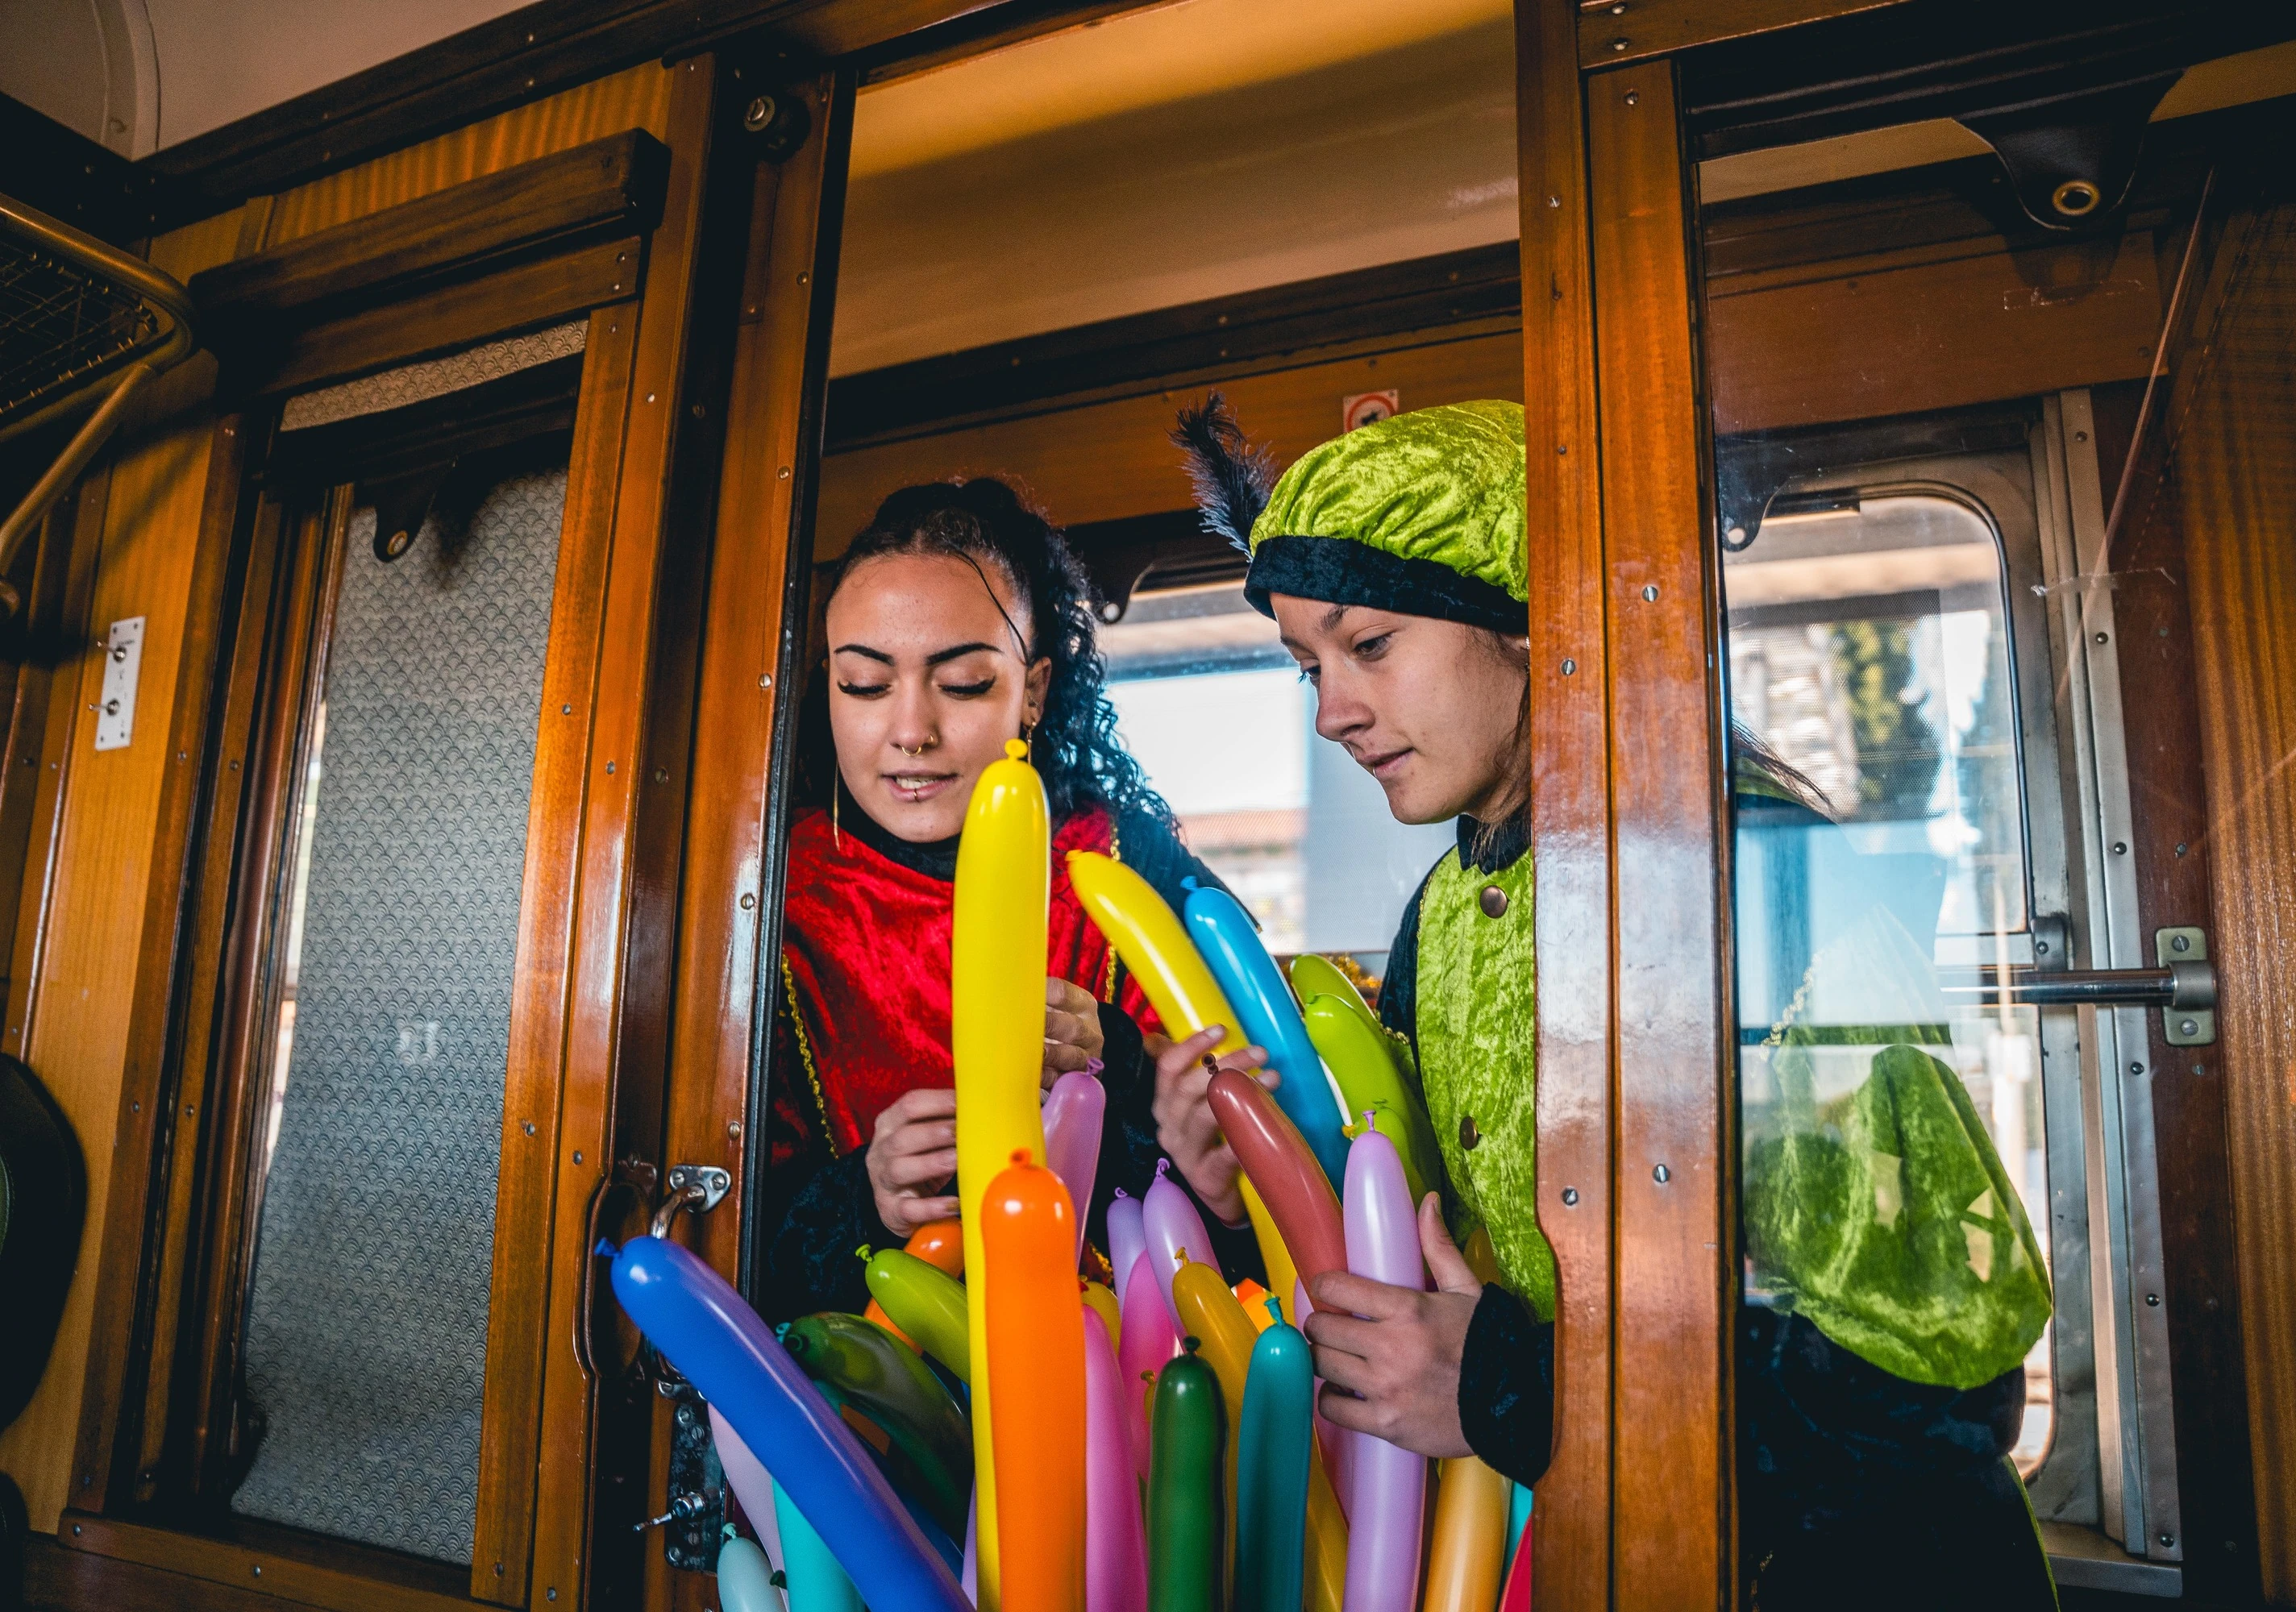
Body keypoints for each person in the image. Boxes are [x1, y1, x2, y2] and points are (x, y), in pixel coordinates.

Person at [1174, 395, 2058, 1608]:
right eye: (1308, 667)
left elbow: (1940, 1385)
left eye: (1369, 645)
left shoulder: (1749, 870)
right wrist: (1240, 1189)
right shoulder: (1440, 916)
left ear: (1535, 622)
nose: (1331, 713)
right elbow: (1442, 1251)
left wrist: (1505, 1391)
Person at [762, 478, 1262, 1319]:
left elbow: (1267, 1199)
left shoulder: (1123, 861)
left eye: (960, 682)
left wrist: (1128, 1068)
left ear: (1031, 692)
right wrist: (866, 1192)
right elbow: (721, 1229)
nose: (911, 728)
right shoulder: (763, 893)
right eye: (865, 684)